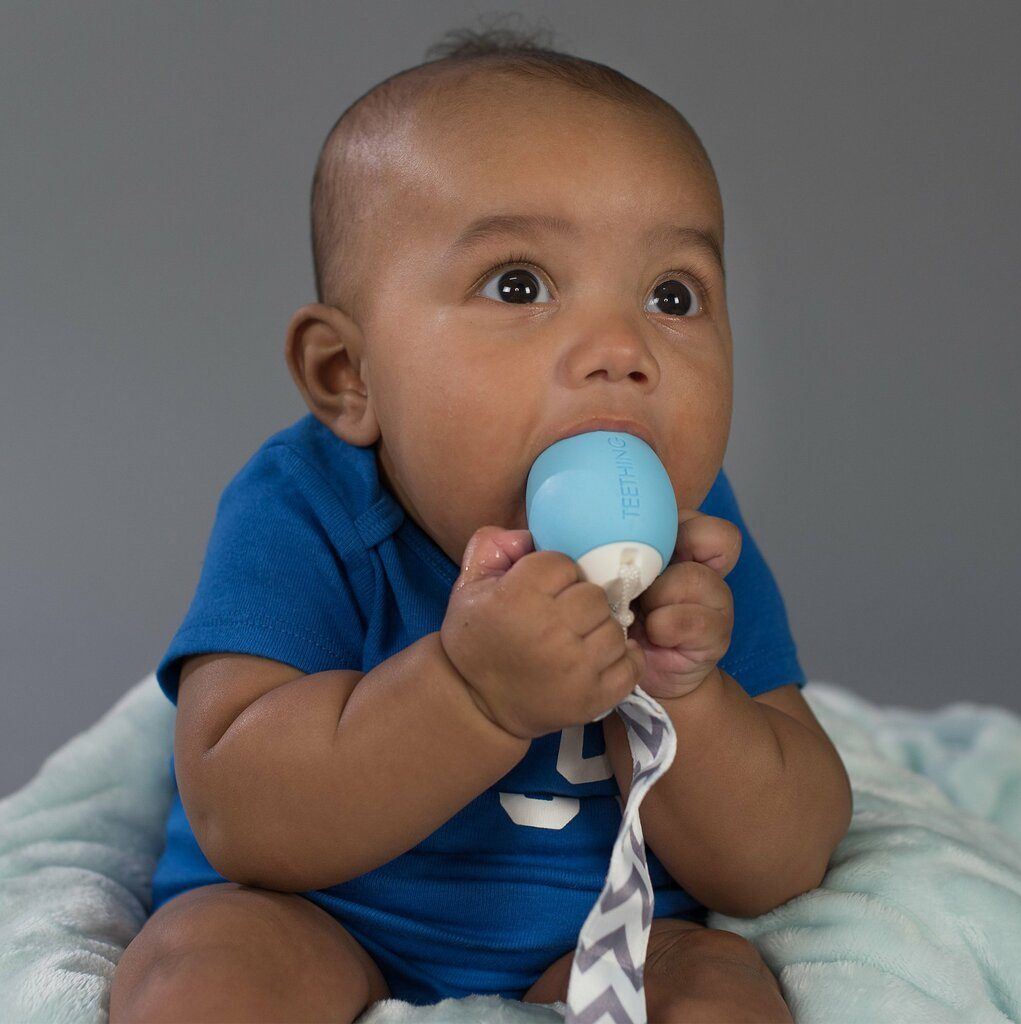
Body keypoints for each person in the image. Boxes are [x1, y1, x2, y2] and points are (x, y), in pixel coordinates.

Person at [110, 22, 850, 1024]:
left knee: (719, 992)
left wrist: (684, 691)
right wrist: (472, 692)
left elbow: (781, 859)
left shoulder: (691, 541)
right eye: (519, 285)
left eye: (671, 295)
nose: (620, 350)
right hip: (319, 916)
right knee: (202, 977)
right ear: (348, 375)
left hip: (600, 928)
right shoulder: (303, 507)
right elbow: (238, 809)